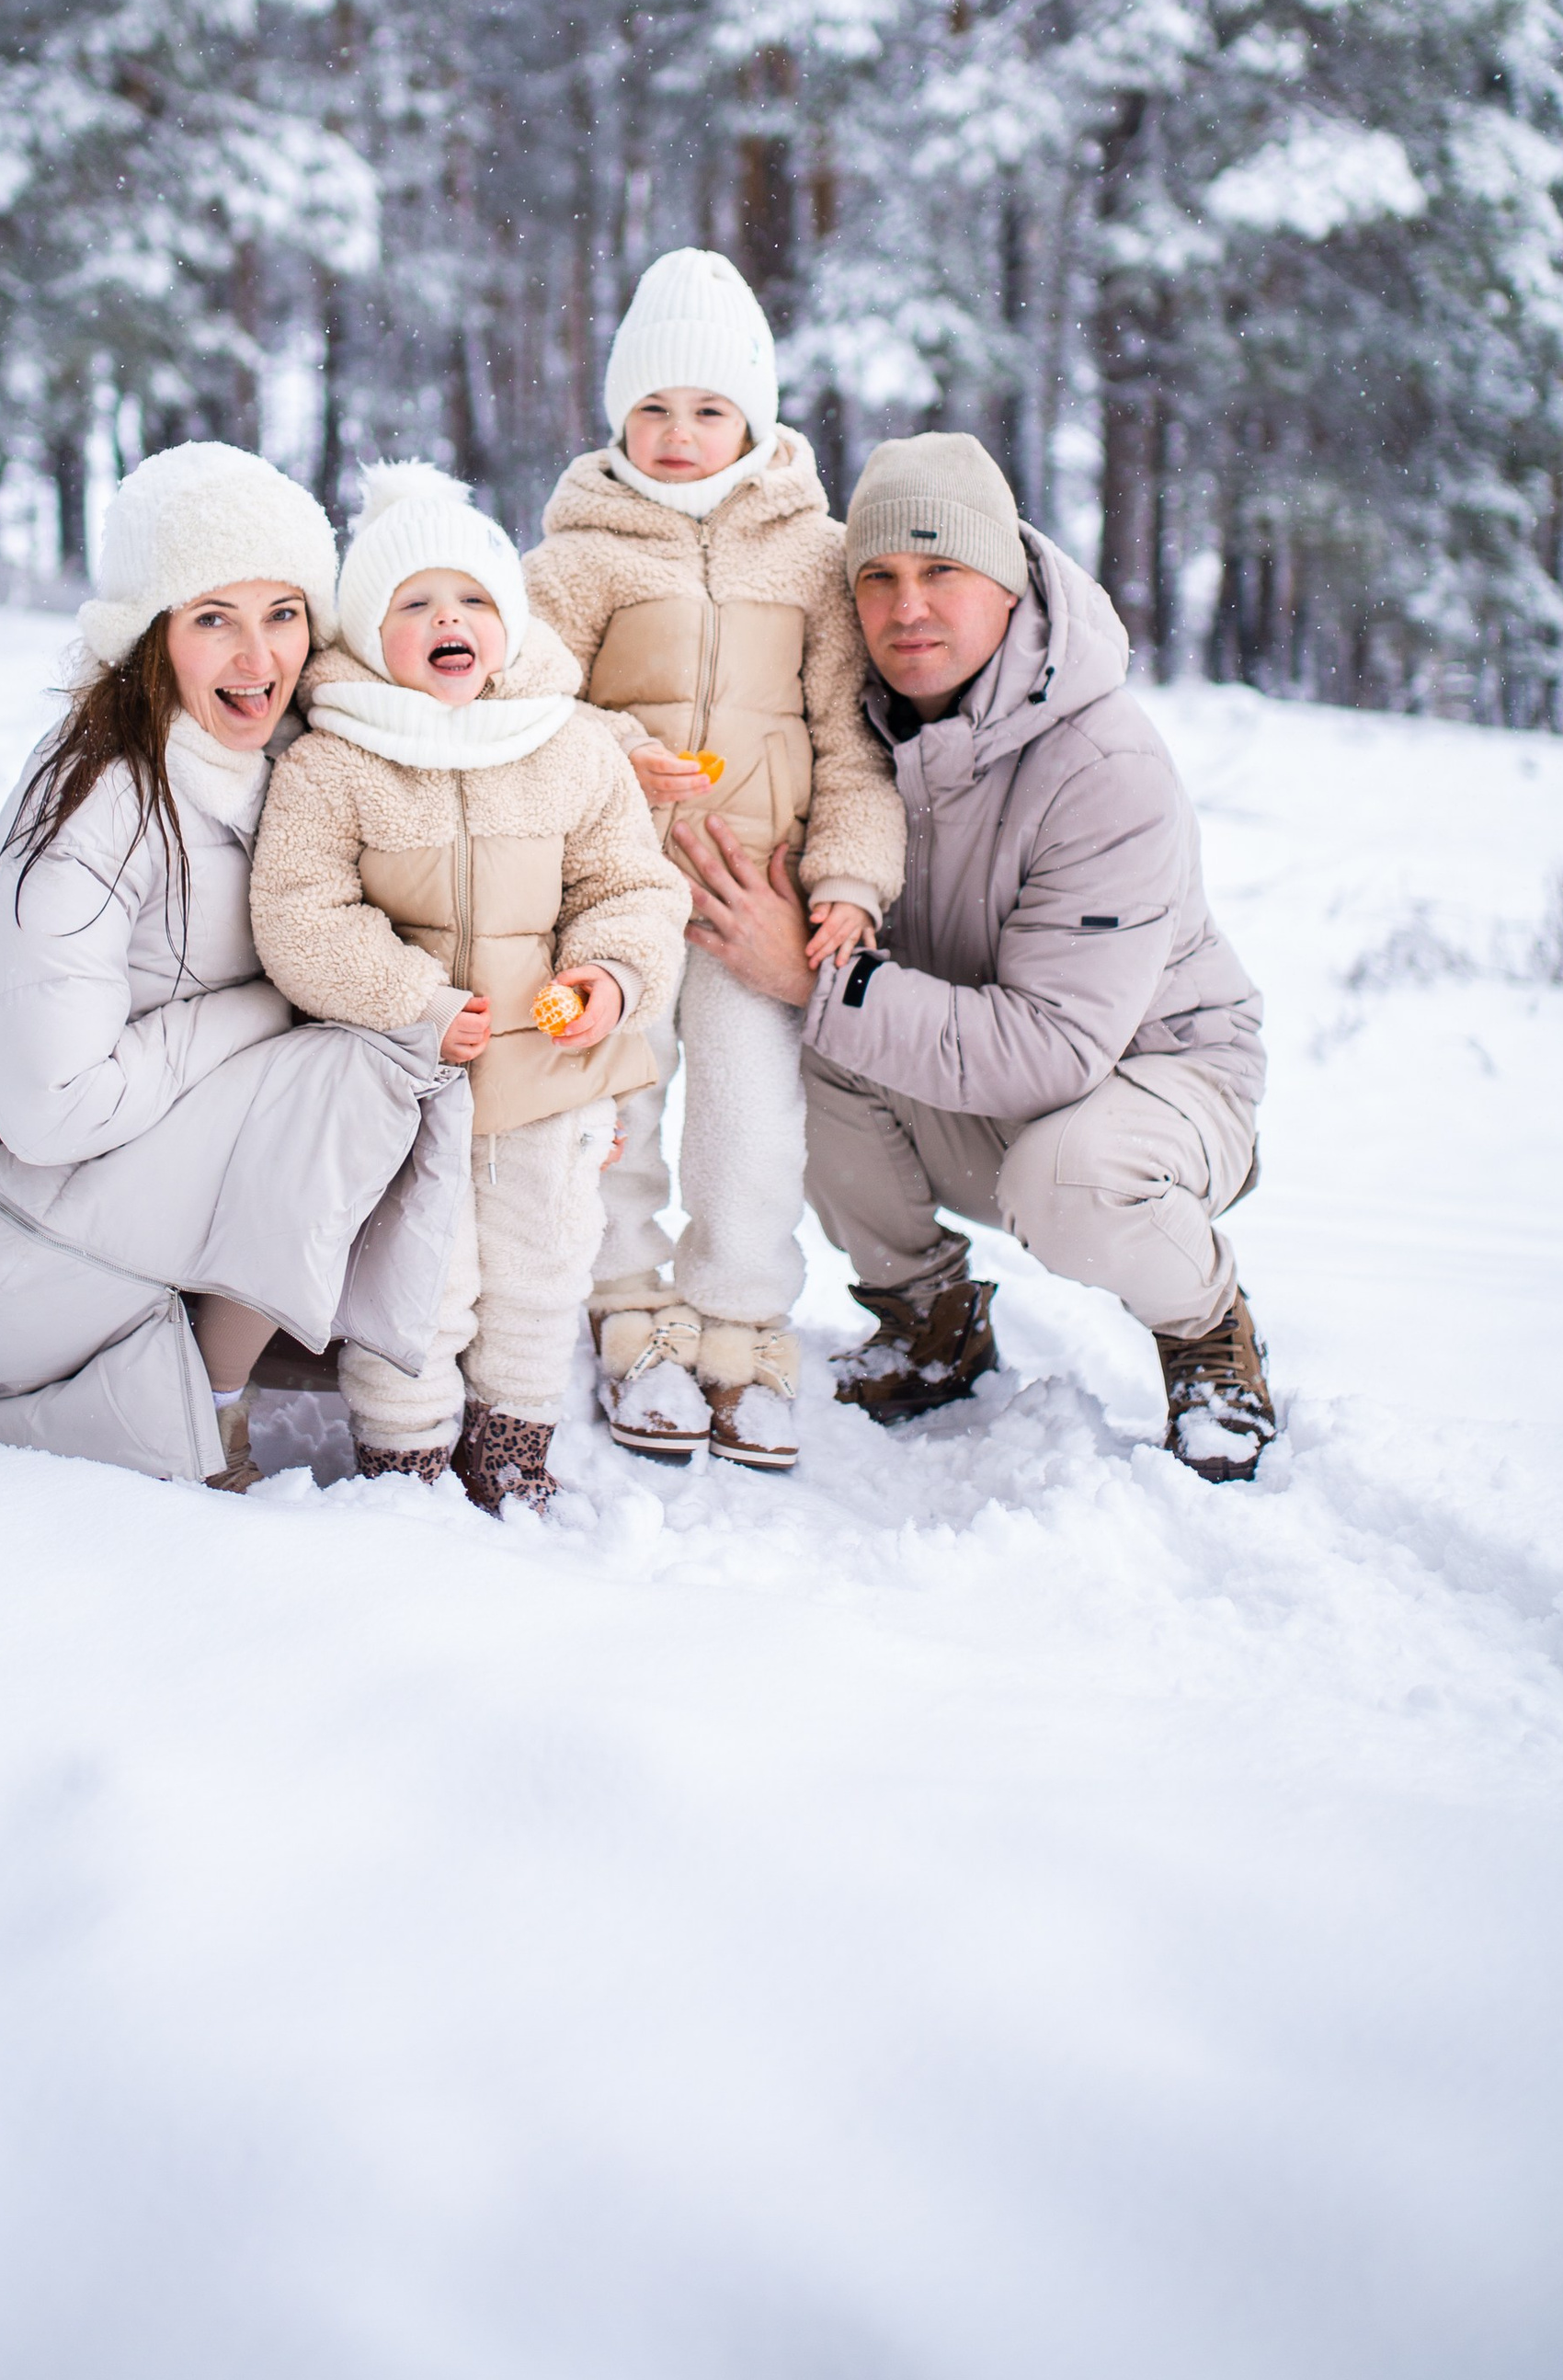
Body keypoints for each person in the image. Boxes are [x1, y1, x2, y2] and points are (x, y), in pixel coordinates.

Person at [0, 443, 468, 1489]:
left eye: (282, 613)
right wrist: (277, 1003)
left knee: (398, 1024)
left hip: (79, 1189)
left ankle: (300, 1351)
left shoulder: (284, 755)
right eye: (212, 618)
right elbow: (54, 1110)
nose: (256, 657)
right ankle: (211, 1412)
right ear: (149, 638)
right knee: (365, 1058)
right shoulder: (94, 802)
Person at [669, 432, 1278, 1482]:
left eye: (942, 571)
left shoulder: (1103, 763)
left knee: (1070, 1180)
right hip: (982, 1073)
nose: (908, 607)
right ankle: (930, 1323)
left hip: (1156, 1084)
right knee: (787, 1044)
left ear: (1007, 584)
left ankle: (1207, 1327)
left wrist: (817, 977)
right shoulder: (853, 733)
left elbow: (1052, 1051)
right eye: (881, 578)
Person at [520, 249, 906, 1470]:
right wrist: (620, 748)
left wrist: (848, 883)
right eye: (653, 409)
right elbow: (524, 700)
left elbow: (852, 746)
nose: (679, 436)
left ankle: (742, 1323)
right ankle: (626, 1305)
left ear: (754, 415)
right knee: (615, 1109)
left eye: (707, 410)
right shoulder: (573, 557)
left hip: (759, 896)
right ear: (617, 414)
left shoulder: (814, 555)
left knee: (751, 1122)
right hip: (613, 893)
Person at [249, 463, 689, 1511]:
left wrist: (610, 978)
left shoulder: (569, 745)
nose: (450, 619)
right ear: (368, 626)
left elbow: (628, 885)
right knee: (417, 1279)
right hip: (405, 1082)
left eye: (475, 599)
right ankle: (403, 1457)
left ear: (510, 620)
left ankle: (512, 1449)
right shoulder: (334, 760)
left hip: (550, 1073)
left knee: (542, 1270)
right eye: (414, 603)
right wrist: (414, 1000)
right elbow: (298, 911)